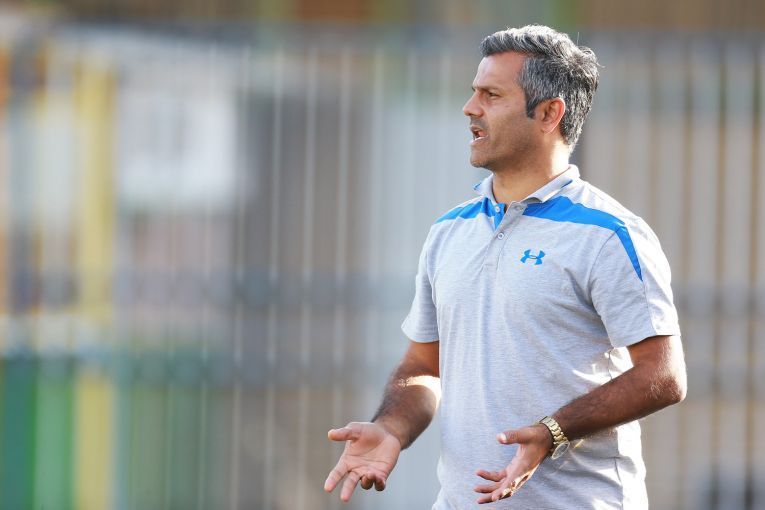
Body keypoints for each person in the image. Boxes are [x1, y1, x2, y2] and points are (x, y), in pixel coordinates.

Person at [324, 24, 687, 509]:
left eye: (491, 95)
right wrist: (391, 427)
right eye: (474, 92)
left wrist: (552, 431)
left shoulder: (608, 235)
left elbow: (663, 376)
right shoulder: (449, 231)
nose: (469, 108)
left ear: (549, 113)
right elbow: (423, 367)